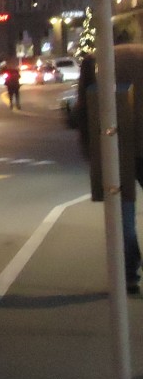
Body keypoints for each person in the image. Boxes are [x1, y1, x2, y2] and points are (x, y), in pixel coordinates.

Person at [79, 45, 143, 294]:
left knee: (123, 212)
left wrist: (90, 151)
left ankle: (128, 274)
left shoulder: (98, 61)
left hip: (117, 147)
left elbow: (85, 110)